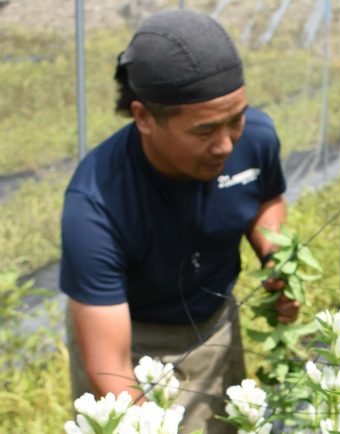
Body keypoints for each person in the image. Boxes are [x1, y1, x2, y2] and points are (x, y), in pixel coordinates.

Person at [60, 9, 299, 433]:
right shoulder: (96, 203)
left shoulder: (256, 136)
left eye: (235, 119)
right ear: (144, 118)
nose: (226, 144)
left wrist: (275, 255)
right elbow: (110, 368)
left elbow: (265, 198)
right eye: (204, 131)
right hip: (134, 340)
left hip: (215, 323)